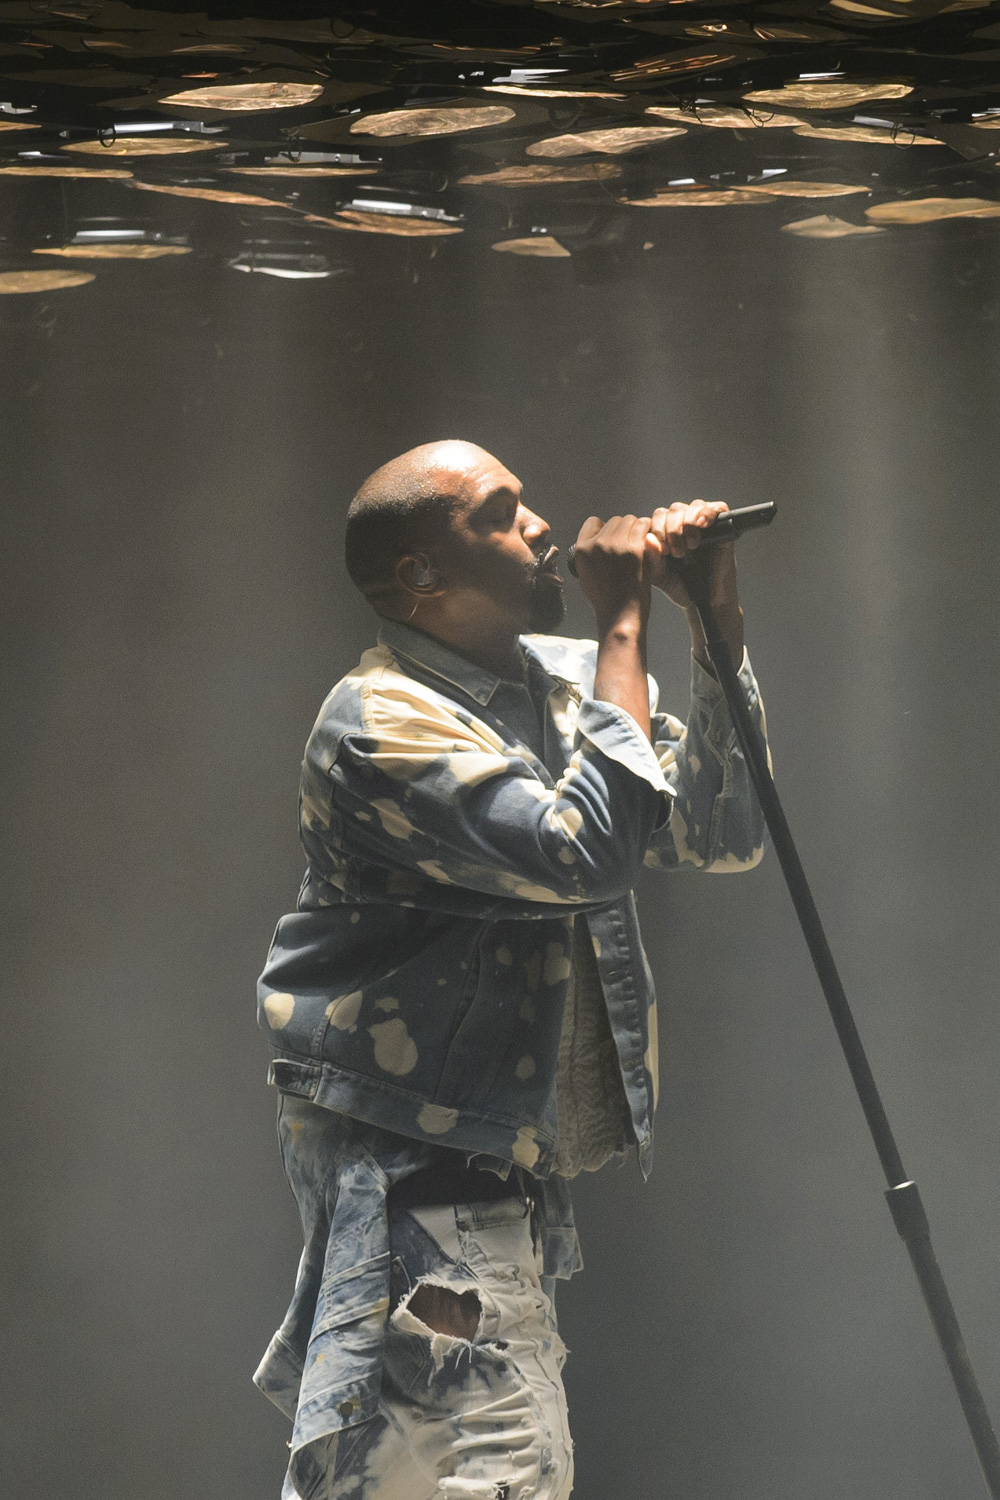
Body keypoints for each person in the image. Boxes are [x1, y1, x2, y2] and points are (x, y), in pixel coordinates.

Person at [253, 440, 768, 1500]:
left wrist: (712, 625)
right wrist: (622, 621)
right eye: (500, 511)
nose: (540, 526)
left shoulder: (564, 691)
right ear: (421, 574)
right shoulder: (376, 724)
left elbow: (722, 829)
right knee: (506, 1470)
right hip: (417, 1192)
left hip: (488, 1189)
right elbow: (583, 856)